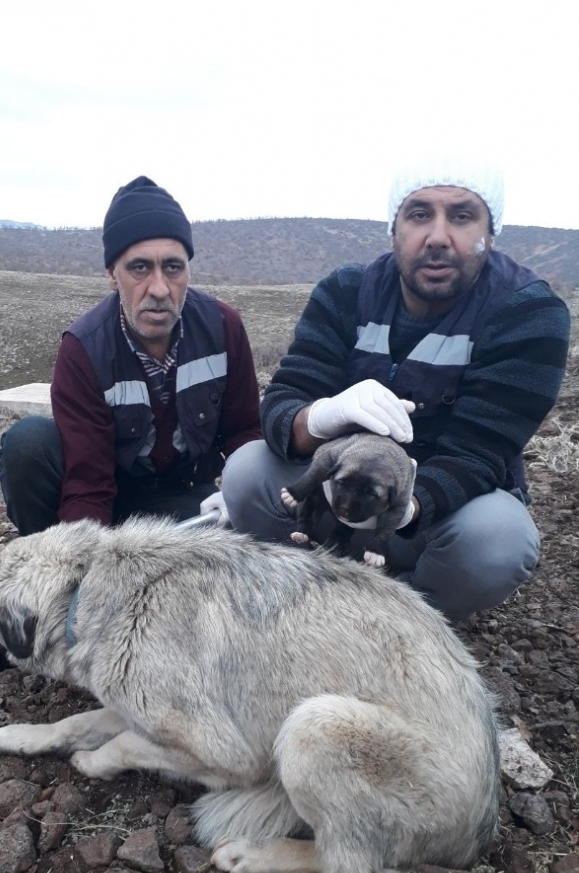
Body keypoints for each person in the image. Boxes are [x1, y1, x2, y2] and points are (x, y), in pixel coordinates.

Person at [221, 157, 571, 622]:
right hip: (339, 496)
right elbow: (284, 403)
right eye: (419, 213)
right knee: (247, 470)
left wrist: (403, 508)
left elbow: (479, 452)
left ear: (492, 230)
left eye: (463, 216)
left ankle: (399, 618)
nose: (439, 236)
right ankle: (308, 595)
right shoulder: (346, 291)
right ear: (395, 226)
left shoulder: (529, 312)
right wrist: (321, 416)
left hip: (434, 519)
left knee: (499, 541)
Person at [0, 176, 261, 534]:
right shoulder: (84, 349)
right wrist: (83, 560)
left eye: (173, 267)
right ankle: (51, 565)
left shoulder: (223, 327)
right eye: (139, 267)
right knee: (28, 444)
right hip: (107, 501)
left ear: (188, 269)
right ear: (112, 275)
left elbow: (246, 432)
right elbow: (88, 483)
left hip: (185, 501)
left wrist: (242, 492)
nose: (158, 288)